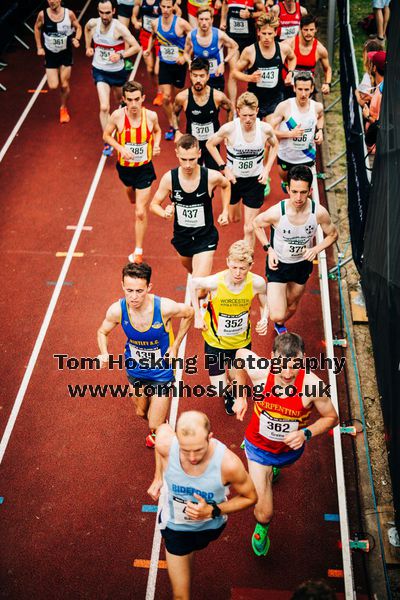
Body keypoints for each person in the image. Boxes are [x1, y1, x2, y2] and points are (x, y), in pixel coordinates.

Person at [233, 332, 339, 555]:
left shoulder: (312, 386)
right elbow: (239, 356)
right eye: (282, 365)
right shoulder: (260, 370)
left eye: (295, 365)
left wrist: (307, 433)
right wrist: (241, 394)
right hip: (258, 448)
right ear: (272, 357)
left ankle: (274, 470)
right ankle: (262, 528)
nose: (288, 373)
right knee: (265, 513)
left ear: (304, 359)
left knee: (277, 468)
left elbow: (332, 418)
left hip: (288, 452)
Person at [147, 410, 257, 599]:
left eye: (198, 450)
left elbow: (250, 497)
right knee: (181, 596)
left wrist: (213, 510)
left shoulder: (228, 464)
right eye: (184, 450)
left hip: (209, 528)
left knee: (192, 550)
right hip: (175, 527)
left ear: (210, 438)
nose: (192, 458)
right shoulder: (166, 443)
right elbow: (162, 433)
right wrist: (158, 477)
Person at [97, 262, 194, 448]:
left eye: (139, 291)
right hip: (136, 370)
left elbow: (189, 313)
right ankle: (160, 422)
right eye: (129, 290)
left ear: (149, 287)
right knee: (141, 412)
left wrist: (175, 346)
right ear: (122, 286)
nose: (134, 297)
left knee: (154, 424)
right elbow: (102, 331)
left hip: (162, 371)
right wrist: (104, 353)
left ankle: (162, 428)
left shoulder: (164, 307)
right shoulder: (117, 310)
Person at [253, 165, 338, 335]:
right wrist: (269, 249)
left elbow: (333, 235)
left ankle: (279, 321)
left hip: (302, 265)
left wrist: (316, 249)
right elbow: (256, 224)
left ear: (310, 191)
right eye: (294, 192)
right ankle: (270, 304)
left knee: (291, 305)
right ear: (288, 189)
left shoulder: (318, 213)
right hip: (279, 265)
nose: (298, 197)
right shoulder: (278, 212)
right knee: (277, 314)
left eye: (303, 192)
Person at [190, 240, 268, 415]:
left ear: (250, 265)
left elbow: (264, 301)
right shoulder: (216, 282)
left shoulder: (257, 283)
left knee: (237, 379)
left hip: (241, 343)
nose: (238, 273)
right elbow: (193, 285)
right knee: (218, 387)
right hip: (215, 342)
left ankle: (232, 393)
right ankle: (226, 393)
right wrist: (197, 314)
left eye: (242, 268)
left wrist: (265, 318)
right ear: (227, 262)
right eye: (234, 267)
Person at [150, 134, 230, 278]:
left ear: (199, 154)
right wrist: (164, 213)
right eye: (183, 159)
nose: (187, 165)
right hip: (182, 238)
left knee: (198, 286)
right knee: (194, 274)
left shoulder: (211, 177)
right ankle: (203, 289)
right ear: (177, 154)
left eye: (192, 159)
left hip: (205, 238)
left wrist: (225, 211)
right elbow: (154, 204)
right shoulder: (169, 179)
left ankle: (201, 289)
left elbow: (226, 185)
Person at [206, 91, 278, 248]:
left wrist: (266, 170)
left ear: (257, 111)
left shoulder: (264, 129)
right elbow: (210, 144)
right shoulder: (229, 129)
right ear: (238, 112)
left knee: (249, 227)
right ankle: (236, 205)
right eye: (244, 115)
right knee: (234, 218)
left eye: (251, 115)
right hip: (234, 180)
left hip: (255, 181)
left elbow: (275, 145)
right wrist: (224, 168)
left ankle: (246, 262)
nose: (247, 120)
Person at [103, 81, 161, 264]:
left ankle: (138, 251)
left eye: (137, 99)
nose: (134, 104)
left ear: (143, 98)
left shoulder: (151, 116)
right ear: (124, 99)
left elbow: (158, 132)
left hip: (144, 169)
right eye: (130, 100)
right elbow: (106, 136)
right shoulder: (117, 117)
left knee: (140, 211)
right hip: (125, 169)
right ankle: (131, 190)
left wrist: (157, 145)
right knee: (131, 195)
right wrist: (120, 147)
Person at [84, 0, 140, 155]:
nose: (104, 16)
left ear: (114, 11)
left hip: (117, 72)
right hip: (100, 70)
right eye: (101, 12)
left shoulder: (119, 28)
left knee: (120, 101)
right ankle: (107, 141)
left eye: (107, 12)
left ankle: (124, 126)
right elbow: (86, 29)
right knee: (104, 107)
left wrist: (121, 54)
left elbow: (136, 47)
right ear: (98, 10)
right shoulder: (93, 24)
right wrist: (88, 47)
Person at [233, 13, 296, 121]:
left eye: (270, 33)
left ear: (275, 33)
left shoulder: (283, 49)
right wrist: (250, 78)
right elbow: (234, 72)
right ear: (258, 32)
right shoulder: (250, 51)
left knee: (272, 130)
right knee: (252, 132)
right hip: (254, 99)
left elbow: (292, 58)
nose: (266, 37)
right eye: (264, 33)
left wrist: (290, 72)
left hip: (275, 98)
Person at [174, 57, 233, 169]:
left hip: (212, 142)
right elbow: (174, 113)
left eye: (201, 76)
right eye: (195, 76)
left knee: (214, 174)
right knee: (192, 174)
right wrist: (176, 130)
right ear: (190, 75)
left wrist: (226, 131)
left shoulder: (217, 96)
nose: (198, 80)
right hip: (192, 144)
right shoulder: (182, 97)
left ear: (207, 76)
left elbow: (230, 108)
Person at [145, 0, 192, 141]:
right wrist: (148, 49)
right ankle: (173, 125)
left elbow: (193, 38)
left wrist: (185, 55)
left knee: (178, 99)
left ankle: (175, 118)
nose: (165, 10)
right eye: (163, 7)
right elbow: (153, 36)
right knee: (166, 97)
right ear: (160, 7)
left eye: (168, 7)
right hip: (165, 64)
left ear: (173, 7)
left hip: (179, 65)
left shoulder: (181, 23)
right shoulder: (155, 23)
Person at [270, 72, 324, 189]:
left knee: (303, 190)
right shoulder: (284, 107)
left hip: (307, 156)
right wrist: (289, 134)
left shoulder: (317, 107)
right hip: (286, 156)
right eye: (300, 89)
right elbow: (270, 130)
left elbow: (320, 116)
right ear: (294, 88)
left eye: (306, 89)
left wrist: (320, 131)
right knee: (287, 184)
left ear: (312, 89)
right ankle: (285, 183)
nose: (303, 94)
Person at [34, 0, 82, 123]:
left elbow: (78, 27)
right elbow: (37, 27)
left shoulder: (69, 14)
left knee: (64, 84)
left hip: (65, 54)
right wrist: (39, 47)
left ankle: (63, 107)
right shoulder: (42, 15)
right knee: (53, 85)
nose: (51, 1)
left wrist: (77, 38)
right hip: (50, 55)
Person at [220, 0, 266, 106]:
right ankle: (233, 106)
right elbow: (225, 4)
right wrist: (223, 20)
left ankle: (255, 103)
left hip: (248, 41)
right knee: (233, 73)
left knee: (253, 73)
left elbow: (264, 12)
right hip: (233, 41)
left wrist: (250, 14)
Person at [183, 6, 238, 92]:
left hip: (216, 76)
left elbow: (235, 46)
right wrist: (189, 62)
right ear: (197, 19)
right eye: (201, 19)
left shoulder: (219, 35)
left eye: (207, 19)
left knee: (215, 104)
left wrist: (223, 63)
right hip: (199, 78)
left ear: (212, 20)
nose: (204, 22)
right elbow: (185, 53)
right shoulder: (191, 36)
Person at [282, 14, 332, 96]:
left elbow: (327, 69)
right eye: (305, 29)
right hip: (286, 88)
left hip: (305, 91)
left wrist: (327, 84)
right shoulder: (289, 44)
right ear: (300, 29)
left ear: (316, 30)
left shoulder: (320, 49)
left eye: (311, 29)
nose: (308, 33)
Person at [131, 0, 163, 105]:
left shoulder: (162, 2)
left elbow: (177, 12)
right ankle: (157, 87)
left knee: (157, 70)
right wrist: (135, 22)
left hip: (159, 37)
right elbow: (133, 16)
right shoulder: (140, 1)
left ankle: (160, 93)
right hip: (145, 36)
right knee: (150, 69)